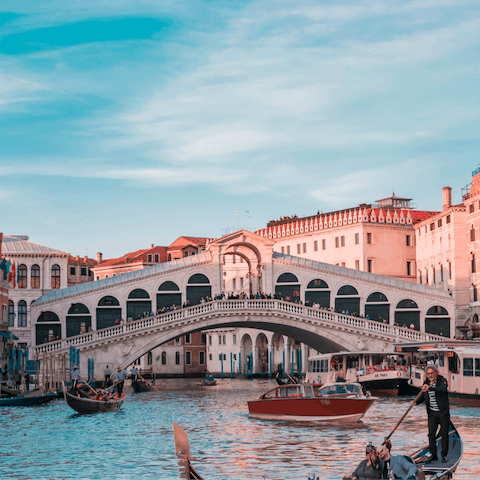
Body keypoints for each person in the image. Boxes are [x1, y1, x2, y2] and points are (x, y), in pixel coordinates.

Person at [410, 365, 450, 463]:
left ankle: (444, 455)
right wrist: (415, 402)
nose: (430, 375)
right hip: (432, 413)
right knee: (431, 435)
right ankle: (433, 455)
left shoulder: (442, 380)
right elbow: (423, 396)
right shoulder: (426, 383)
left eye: (432, 373)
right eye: (428, 373)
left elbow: (442, 389)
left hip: (443, 413)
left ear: (436, 373)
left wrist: (430, 388)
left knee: (444, 434)